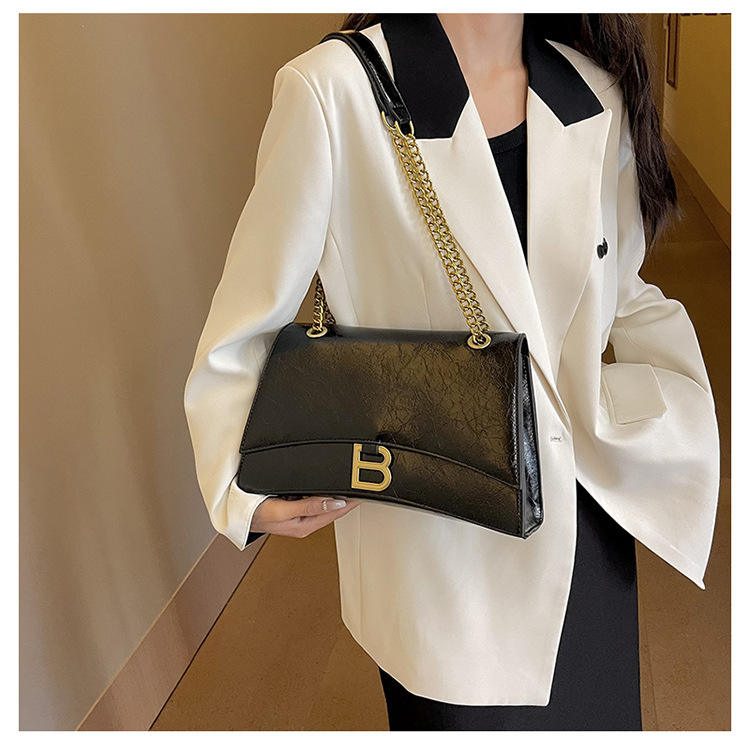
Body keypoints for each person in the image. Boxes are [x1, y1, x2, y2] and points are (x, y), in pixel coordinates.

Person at [183, 13, 720, 730]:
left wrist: (681, 408)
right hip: (440, 527)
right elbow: (248, 316)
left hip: (584, 511)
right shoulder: (332, 91)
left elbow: (622, 287)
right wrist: (239, 482)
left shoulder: (591, 88)